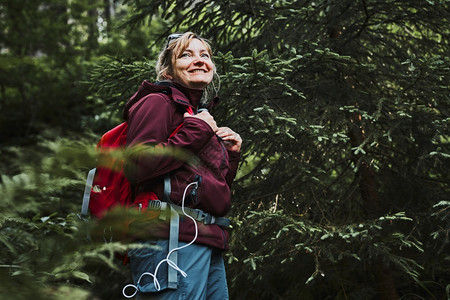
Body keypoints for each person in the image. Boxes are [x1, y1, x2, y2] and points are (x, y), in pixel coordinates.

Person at [121, 32, 242, 299]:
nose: (199, 61)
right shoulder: (156, 102)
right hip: (169, 239)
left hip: (202, 238)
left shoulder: (194, 115)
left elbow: (206, 193)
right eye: (186, 55)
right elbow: (138, 166)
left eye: (205, 55)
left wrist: (231, 155)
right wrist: (198, 131)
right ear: (167, 70)